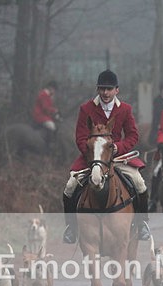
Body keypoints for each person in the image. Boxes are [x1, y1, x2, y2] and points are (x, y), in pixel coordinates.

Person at [62, 69, 151, 244]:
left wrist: (118, 147)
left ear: (117, 90)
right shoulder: (86, 109)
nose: (105, 93)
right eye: (102, 88)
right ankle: (71, 228)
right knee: (70, 186)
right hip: (93, 158)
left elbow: (133, 135)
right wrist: (92, 153)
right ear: (97, 89)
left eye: (109, 89)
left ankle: (142, 223)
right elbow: (80, 137)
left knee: (139, 182)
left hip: (118, 157)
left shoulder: (125, 109)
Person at [32, 80, 60, 149]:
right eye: (54, 90)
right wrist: (55, 110)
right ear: (50, 88)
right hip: (39, 116)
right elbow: (45, 108)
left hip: (44, 115)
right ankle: (50, 144)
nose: (54, 92)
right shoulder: (43, 95)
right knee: (52, 126)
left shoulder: (47, 95)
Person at [148, 81, 163, 146]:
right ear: (161, 90)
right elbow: (156, 113)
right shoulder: (157, 100)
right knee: (155, 135)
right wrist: (158, 123)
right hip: (158, 121)